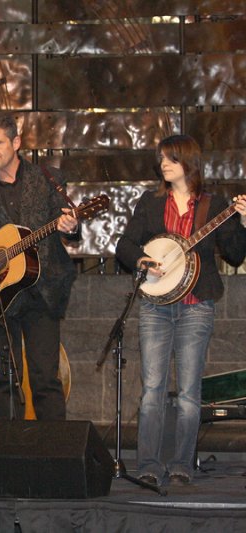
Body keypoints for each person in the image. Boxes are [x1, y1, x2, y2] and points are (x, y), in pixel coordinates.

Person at [116, 134, 246, 486]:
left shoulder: (214, 205)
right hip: (155, 306)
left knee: (189, 393)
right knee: (152, 390)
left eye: (170, 158)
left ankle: (181, 465)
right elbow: (125, 245)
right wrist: (142, 260)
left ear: (188, 162)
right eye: (161, 158)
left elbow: (235, 254)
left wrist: (243, 222)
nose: (163, 164)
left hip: (196, 306)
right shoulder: (150, 202)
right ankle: (148, 464)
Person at [0, 113, 78, 422]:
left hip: (43, 291)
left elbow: (70, 230)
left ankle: (54, 446)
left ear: (16, 142)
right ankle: (7, 446)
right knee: (5, 380)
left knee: (45, 378)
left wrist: (71, 227)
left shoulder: (47, 179)